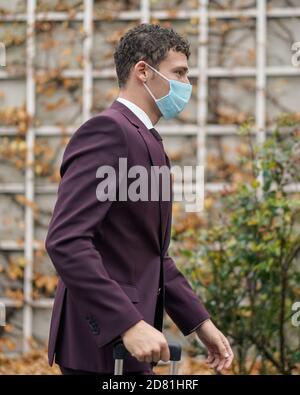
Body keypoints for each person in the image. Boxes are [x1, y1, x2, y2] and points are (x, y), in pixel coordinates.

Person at [45, 23, 234, 375]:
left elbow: (152, 254)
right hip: (102, 346)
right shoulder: (106, 132)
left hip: (135, 343)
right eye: (179, 73)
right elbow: (66, 241)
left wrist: (199, 323)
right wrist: (125, 323)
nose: (186, 85)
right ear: (143, 71)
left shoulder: (150, 142)